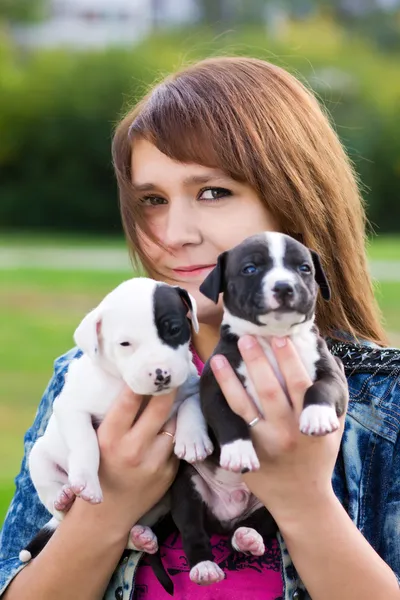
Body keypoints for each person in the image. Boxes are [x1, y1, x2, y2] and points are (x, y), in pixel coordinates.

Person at [1, 56, 400, 600]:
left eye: (213, 192)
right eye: (152, 201)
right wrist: (108, 507)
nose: (174, 233)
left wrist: (305, 501)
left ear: (297, 198)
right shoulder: (91, 375)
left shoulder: (385, 401)